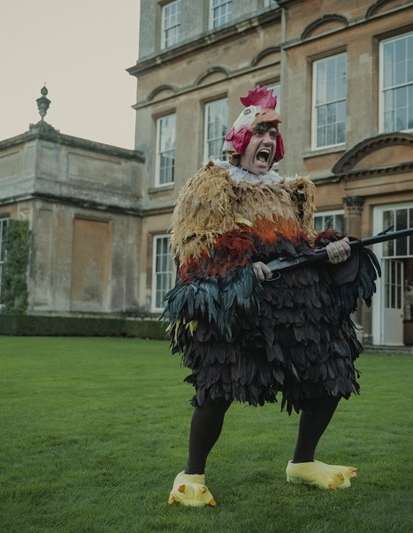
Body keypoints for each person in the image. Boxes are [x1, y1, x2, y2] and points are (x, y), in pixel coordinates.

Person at [162, 86, 380, 507]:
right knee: (220, 385)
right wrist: (240, 264)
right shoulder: (215, 183)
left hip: (298, 308)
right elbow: (195, 244)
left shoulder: (291, 190)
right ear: (241, 140)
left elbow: (302, 243)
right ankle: (190, 477)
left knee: (332, 371)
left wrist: (332, 249)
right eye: (260, 131)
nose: (267, 141)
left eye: (272, 135)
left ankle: (302, 463)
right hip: (244, 306)